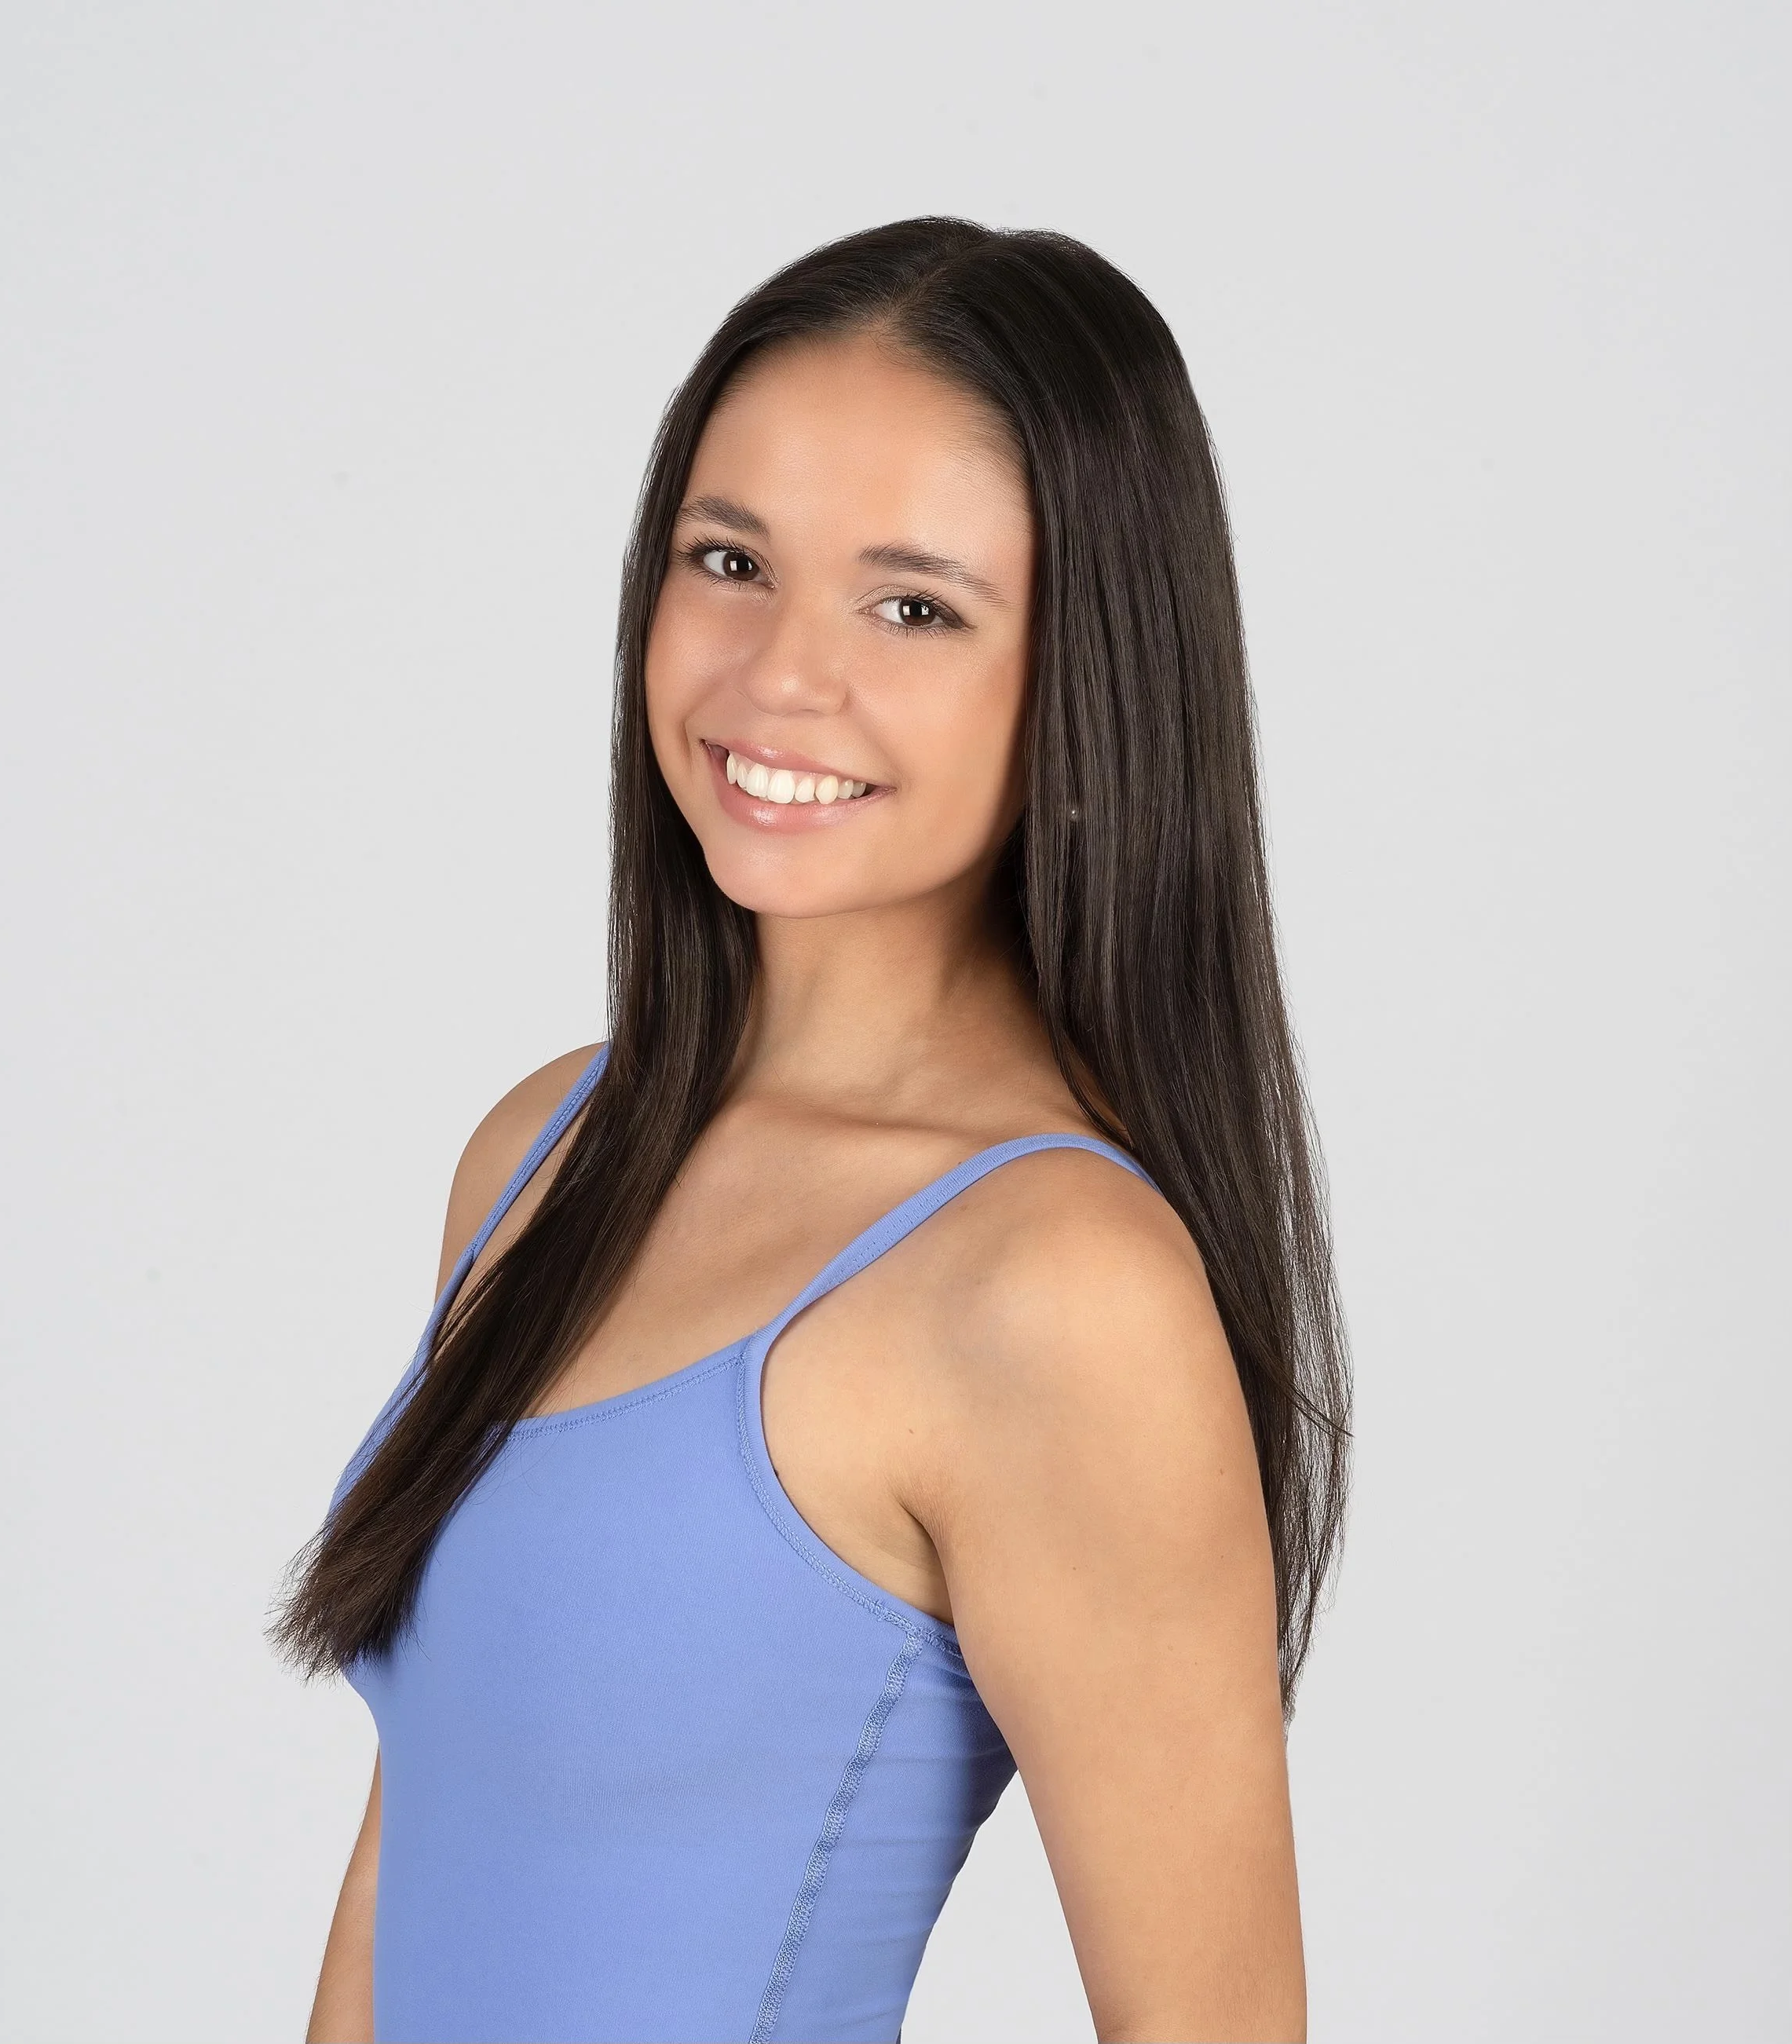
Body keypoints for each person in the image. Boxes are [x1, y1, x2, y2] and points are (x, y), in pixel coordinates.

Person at [275, 216, 1350, 2044]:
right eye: (729, 561)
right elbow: (406, 1870)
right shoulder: (546, 1149)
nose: (779, 673)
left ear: (1084, 672)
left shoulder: (1055, 1287)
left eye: (911, 605)